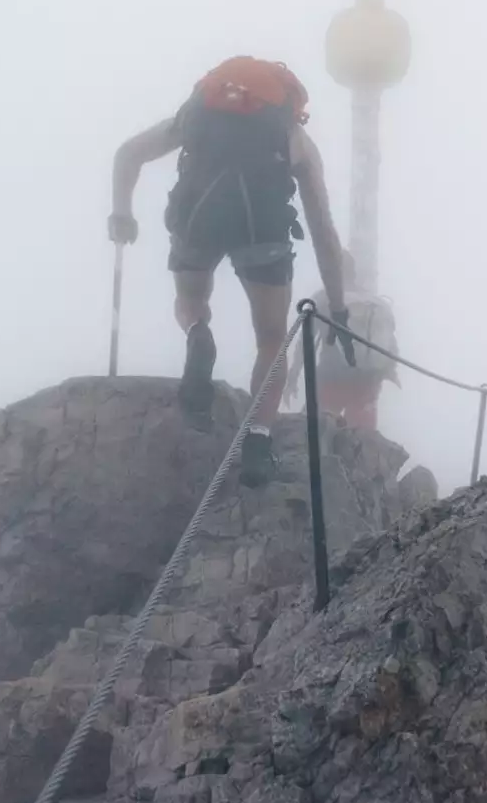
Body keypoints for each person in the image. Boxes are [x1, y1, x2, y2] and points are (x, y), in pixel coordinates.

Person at [108, 56, 354, 487]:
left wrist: (122, 214)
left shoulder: (196, 118)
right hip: (263, 229)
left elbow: (128, 154)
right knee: (272, 339)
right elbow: (323, 233)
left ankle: (198, 334)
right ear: (291, 103)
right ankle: (257, 441)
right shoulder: (292, 137)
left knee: (190, 299)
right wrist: (339, 307)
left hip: (197, 217)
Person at [286, 249, 399, 431]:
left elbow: (305, 342)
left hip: (332, 377)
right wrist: (389, 372)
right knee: (363, 440)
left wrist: (292, 376)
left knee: (316, 432)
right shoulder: (377, 303)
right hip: (368, 381)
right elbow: (390, 345)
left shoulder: (324, 297)